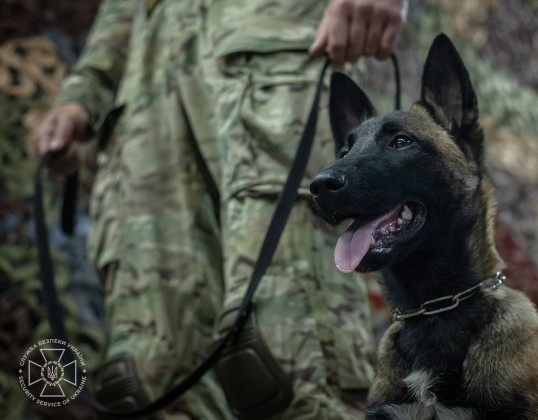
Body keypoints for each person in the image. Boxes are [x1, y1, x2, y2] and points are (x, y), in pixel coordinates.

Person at [36, 0, 406, 418]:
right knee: (153, 372)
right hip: (148, 100)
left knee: (286, 351)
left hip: (268, 42)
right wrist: (83, 94)